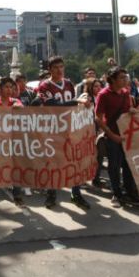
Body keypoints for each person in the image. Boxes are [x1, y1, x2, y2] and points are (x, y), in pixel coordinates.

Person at [37, 56, 92, 210]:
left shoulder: (68, 83)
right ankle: (51, 194)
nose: (59, 70)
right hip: (53, 130)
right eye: (55, 67)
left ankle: (76, 194)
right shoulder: (44, 86)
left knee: (74, 162)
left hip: (69, 129)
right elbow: (52, 105)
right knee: (53, 164)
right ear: (49, 70)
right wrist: (78, 101)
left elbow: (73, 107)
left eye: (61, 67)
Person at [95, 67, 139, 208]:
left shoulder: (126, 93)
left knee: (129, 164)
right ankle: (116, 193)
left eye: (125, 77)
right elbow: (98, 119)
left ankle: (130, 192)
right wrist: (112, 135)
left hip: (126, 135)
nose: (125, 79)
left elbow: (126, 111)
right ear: (113, 79)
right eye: (121, 77)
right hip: (112, 136)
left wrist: (132, 111)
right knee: (114, 166)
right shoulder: (103, 95)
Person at [0, 77, 27, 212]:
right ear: (0, 89)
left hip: (13, 142)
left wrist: (20, 109)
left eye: (11, 87)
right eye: (6, 87)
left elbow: (24, 113)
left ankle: (17, 197)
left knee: (16, 170)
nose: (9, 90)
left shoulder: (16, 102)